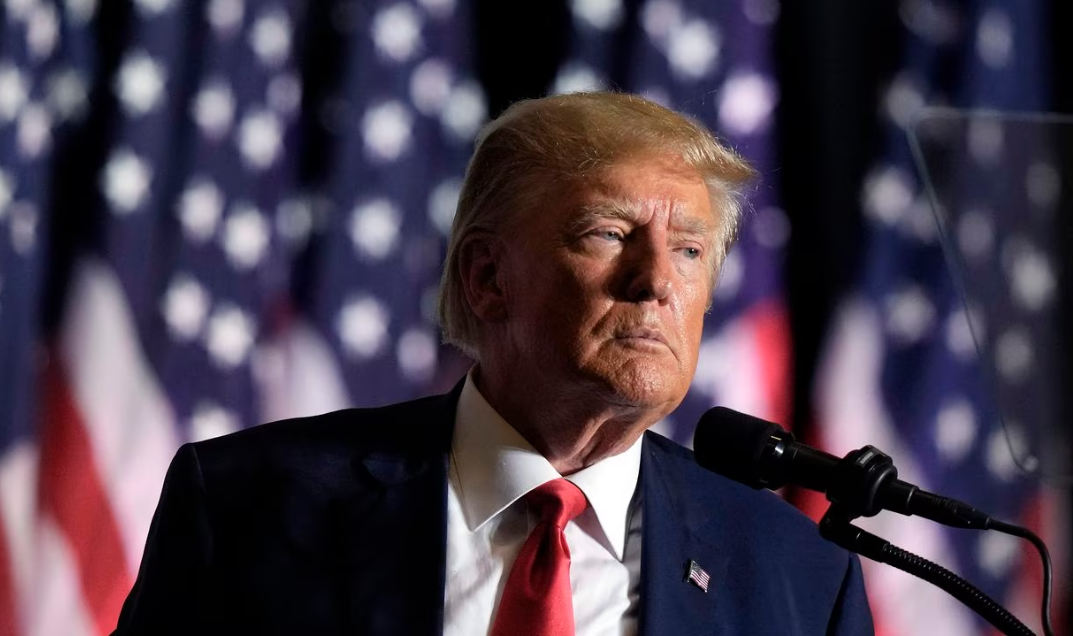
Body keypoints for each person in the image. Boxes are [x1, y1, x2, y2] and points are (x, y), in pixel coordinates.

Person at [112, 92, 873, 635]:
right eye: (608, 234)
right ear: (486, 277)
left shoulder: (796, 570)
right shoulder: (251, 504)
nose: (655, 283)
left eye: (689, 251)